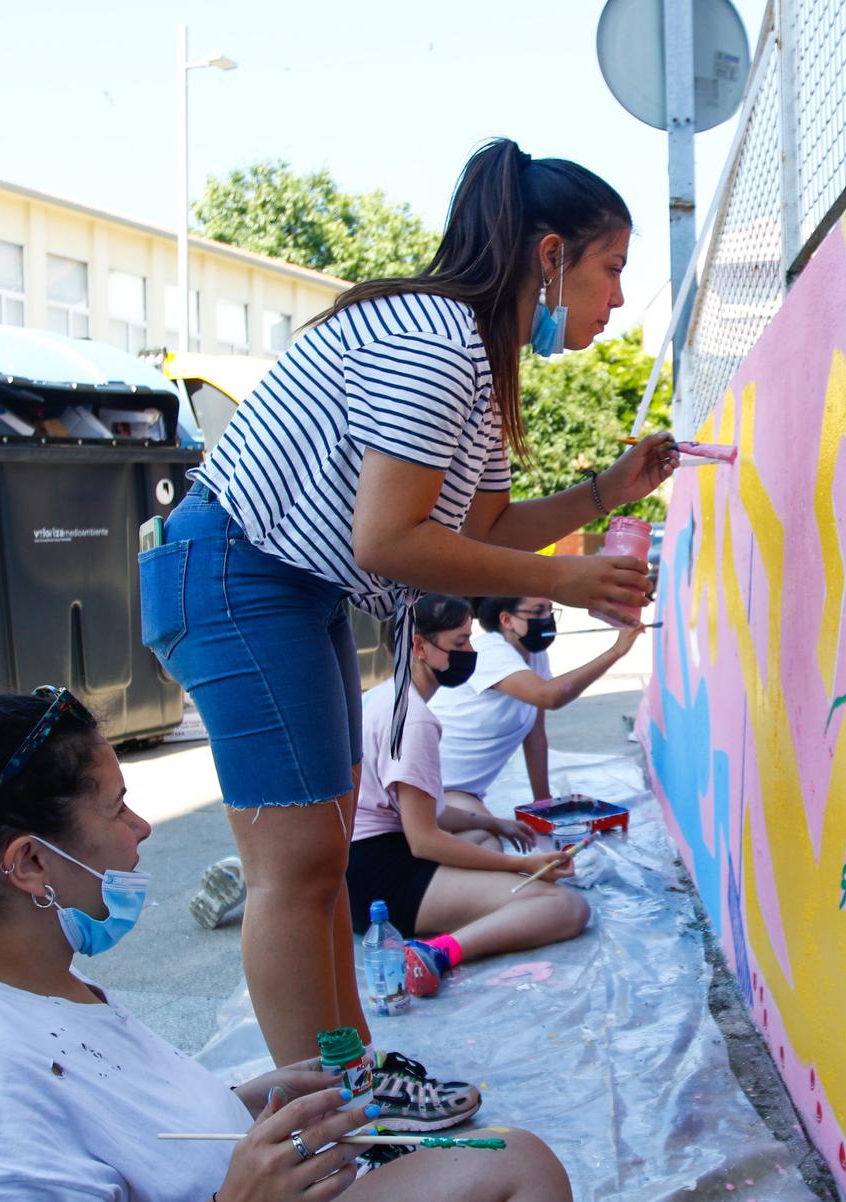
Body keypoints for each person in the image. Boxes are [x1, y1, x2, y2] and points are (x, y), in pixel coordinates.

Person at [0, 658, 694, 1202]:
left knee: (517, 1168)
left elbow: (97, 1146)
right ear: (30, 863)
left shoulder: (34, 986)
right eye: (116, 809)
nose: (141, 829)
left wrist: (245, 1104)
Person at [140, 137, 677, 1066]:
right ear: (550, 256)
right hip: (235, 576)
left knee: (322, 867)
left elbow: (486, 526)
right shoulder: (434, 339)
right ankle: (330, 1112)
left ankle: (357, 1077)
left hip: (283, 587)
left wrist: (609, 494)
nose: (621, 296)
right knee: (296, 871)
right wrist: (570, 579)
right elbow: (389, 542)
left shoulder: (479, 362)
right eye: (612, 268)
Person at [347, 594, 591, 997]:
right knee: (565, 907)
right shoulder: (415, 720)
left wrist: (489, 822)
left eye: (469, 641)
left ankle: (465, 917)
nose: (470, 652)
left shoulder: (386, 697)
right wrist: (523, 865)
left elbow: (422, 812)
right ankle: (435, 953)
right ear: (419, 647)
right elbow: (424, 839)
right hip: (379, 879)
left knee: (483, 839)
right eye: (460, 644)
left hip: (362, 865)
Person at [431, 596, 642, 822]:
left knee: (485, 840)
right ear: (507, 620)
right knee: (485, 842)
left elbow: (535, 735)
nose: (547, 619)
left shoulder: (535, 656)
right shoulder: (490, 652)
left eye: (550, 610)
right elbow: (549, 697)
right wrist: (616, 651)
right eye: (538, 611)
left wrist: (543, 802)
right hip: (434, 786)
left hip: (461, 791)